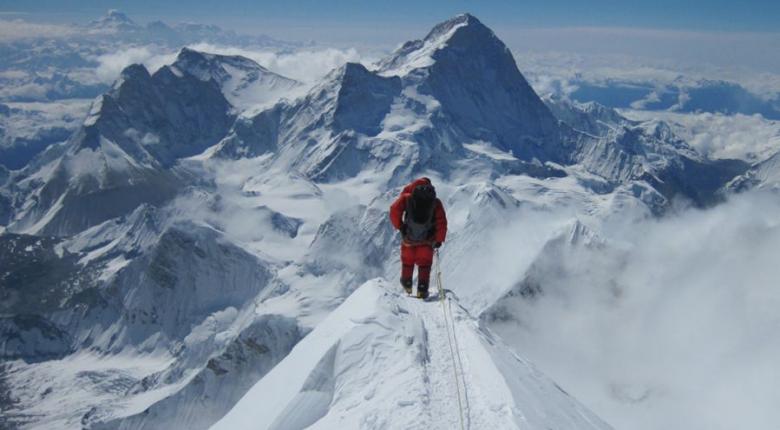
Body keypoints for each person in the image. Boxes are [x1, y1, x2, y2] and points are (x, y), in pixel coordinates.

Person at [389, 177, 447, 299]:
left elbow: (394, 210)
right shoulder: (435, 202)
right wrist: (438, 240)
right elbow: (442, 222)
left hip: (409, 240)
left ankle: (407, 285)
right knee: (424, 266)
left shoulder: (407, 198)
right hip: (427, 242)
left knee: (407, 263)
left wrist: (400, 227)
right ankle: (422, 290)